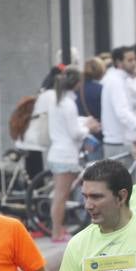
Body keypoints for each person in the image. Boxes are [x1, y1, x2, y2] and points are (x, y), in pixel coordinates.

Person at [48, 66, 97, 242]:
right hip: (66, 155)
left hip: (56, 152)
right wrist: (88, 127)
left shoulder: (57, 101)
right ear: (77, 83)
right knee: (61, 196)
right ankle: (56, 232)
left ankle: (58, 229)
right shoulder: (68, 104)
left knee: (60, 195)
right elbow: (75, 133)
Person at [101, 45, 136, 162]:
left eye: (134, 59)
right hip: (119, 143)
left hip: (124, 141)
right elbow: (122, 112)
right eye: (129, 60)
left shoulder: (124, 80)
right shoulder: (115, 81)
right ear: (119, 62)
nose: (134, 63)